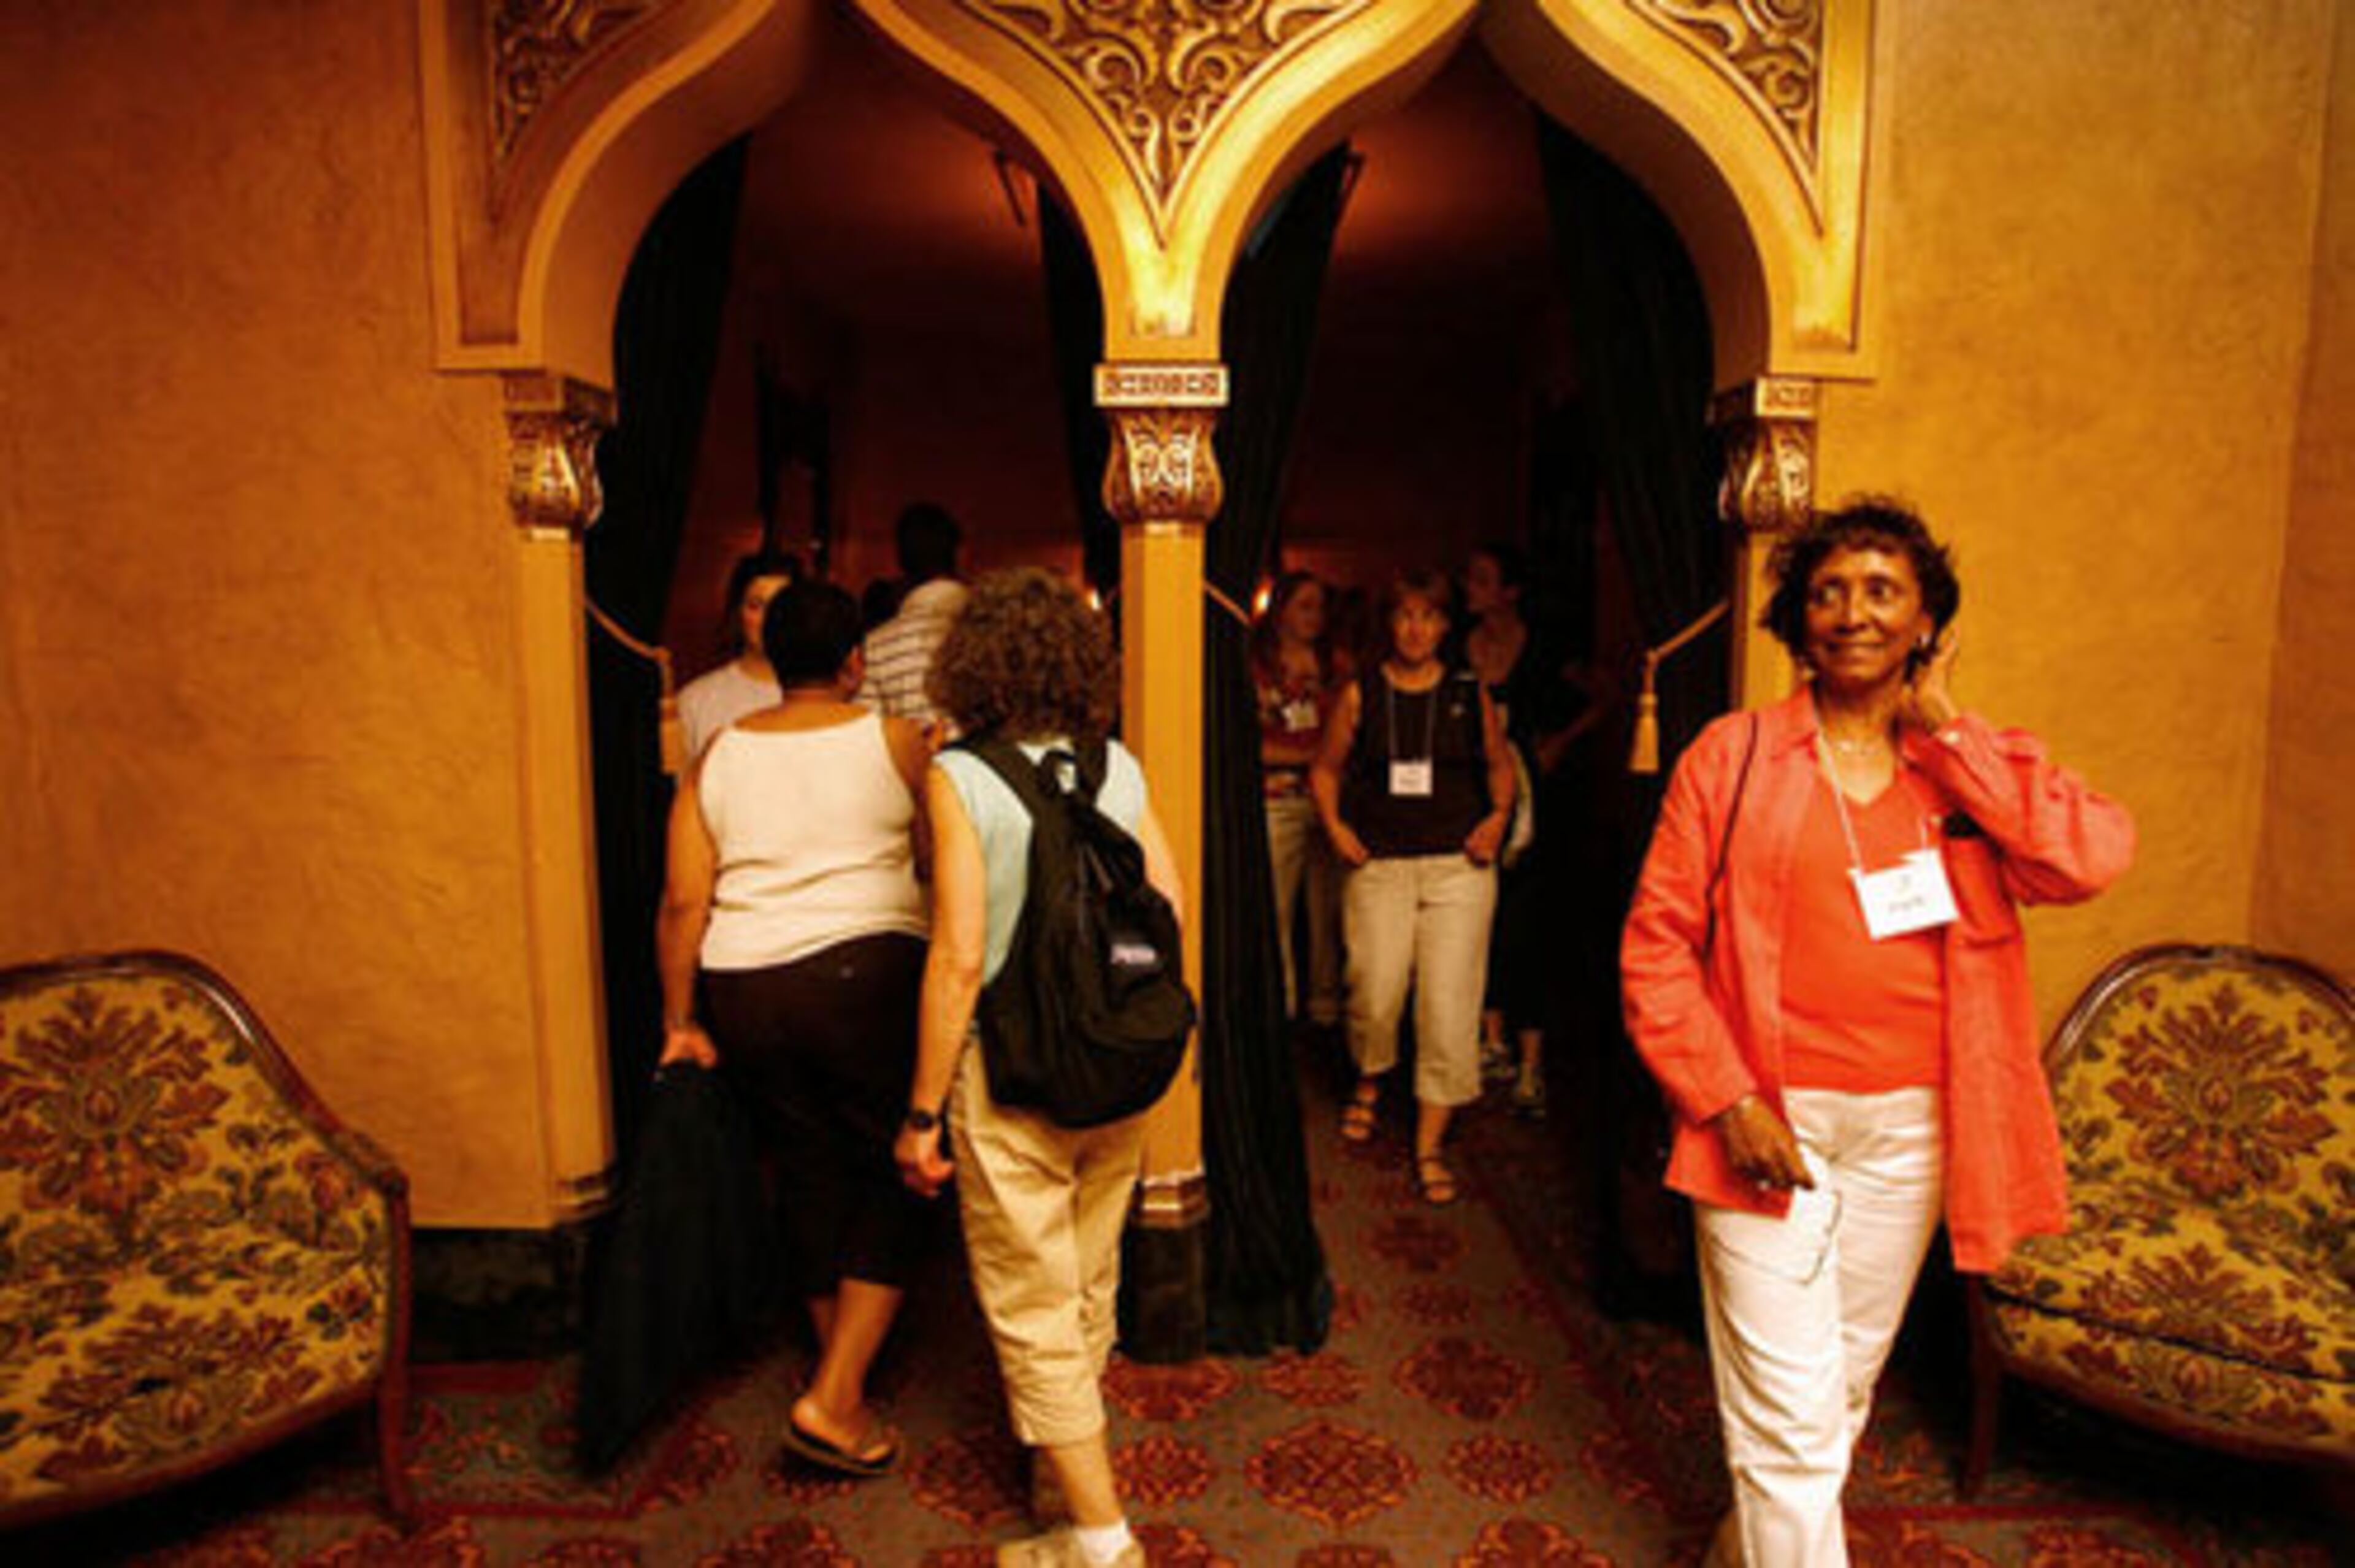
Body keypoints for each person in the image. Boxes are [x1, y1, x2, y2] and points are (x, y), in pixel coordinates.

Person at [1620, 499, 2134, 1567]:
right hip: (1764, 1122)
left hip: (1913, 1129)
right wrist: (1727, 1099)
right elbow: (1656, 948)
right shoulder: (1734, 756)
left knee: (1835, 1389)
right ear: (1798, 621)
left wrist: (1950, 730)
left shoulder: (1965, 767)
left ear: (1927, 621)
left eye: (1882, 590)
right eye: (1828, 591)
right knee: (1793, 1422)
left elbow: (2086, 858)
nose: (1853, 613)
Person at [894, 568, 1181, 1568]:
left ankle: (1102, 1542)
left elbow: (960, 956)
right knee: (1089, 1279)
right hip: (1120, 1066)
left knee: (1030, 1302)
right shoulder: (1119, 767)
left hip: (1015, 1074)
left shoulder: (961, 777)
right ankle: (1062, 1484)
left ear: (974, 665)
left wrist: (922, 1112)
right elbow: (1171, 911)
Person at [656, 580, 936, 1480]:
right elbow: (941, 865)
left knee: (808, 1166)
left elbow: (682, 900)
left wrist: (681, 1019)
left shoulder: (719, 756)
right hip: (866, 980)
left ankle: (838, 1387)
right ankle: (837, 1389)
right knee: (899, 1167)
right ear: (856, 661)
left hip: (746, 983)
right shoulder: (897, 742)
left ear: (773, 658)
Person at [1309, 568, 1516, 1207]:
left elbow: (1499, 764)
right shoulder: (1360, 693)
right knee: (1374, 987)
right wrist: (1336, 826)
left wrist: (1497, 818)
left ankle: (1429, 1140)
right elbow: (1325, 769)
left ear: (1444, 626)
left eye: (1429, 617)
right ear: (1391, 624)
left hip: (1459, 868)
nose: (1417, 629)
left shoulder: (1466, 689)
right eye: (1405, 616)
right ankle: (1370, 1079)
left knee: (1449, 1002)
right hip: (1381, 866)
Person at [1461, 541, 1593, 1117]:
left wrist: (1561, 741)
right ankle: (1492, 1043)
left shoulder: (1545, 646)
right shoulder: (1456, 645)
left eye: (1483, 578)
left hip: (1535, 800)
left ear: (1510, 591)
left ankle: (1532, 1064)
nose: (1472, 586)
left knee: (1528, 927)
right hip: (1474, 794)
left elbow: (1608, 691)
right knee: (1480, 919)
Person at [1252, 570, 1345, 1027]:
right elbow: (1249, 744)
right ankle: (1280, 1007)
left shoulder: (1337, 667)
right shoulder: (1257, 668)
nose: (1315, 617)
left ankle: (1327, 1007)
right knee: (1277, 907)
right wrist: (1315, 755)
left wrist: (1322, 760)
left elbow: (1350, 737)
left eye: (1320, 607)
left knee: (1330, 909)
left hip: (1330, 802)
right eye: (1304, 605)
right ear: (1281, 609)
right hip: (1277, 799)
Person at [676, 549, 800, 761]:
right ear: (738, 612)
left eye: (781, 605)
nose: (770, 619)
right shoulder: (697, 701)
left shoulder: (823, 696)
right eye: (756, 606)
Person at [857, 501, 967, 731]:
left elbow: (870, 734)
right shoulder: (992, 633)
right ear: (959, 553)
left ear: (899, 559)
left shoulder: (876, 646)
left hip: (911, 766)